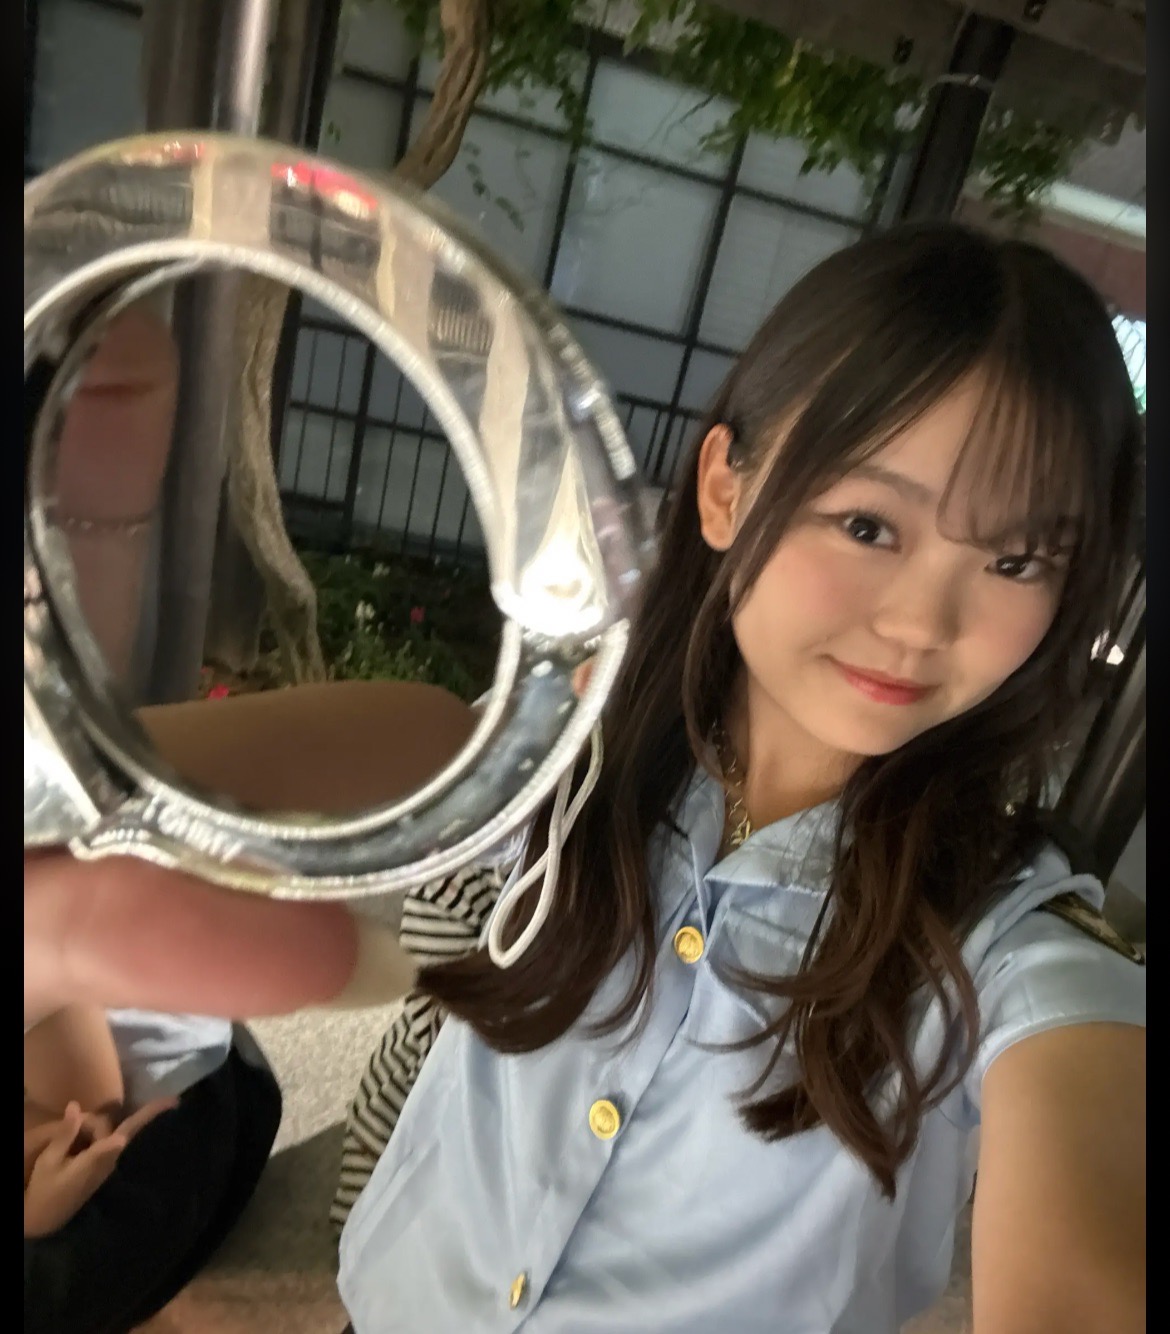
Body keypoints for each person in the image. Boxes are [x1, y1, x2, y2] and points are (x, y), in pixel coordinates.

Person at [26, 223, 1144, 1334]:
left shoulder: (1009, 942)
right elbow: (414, 752)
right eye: (868, 524)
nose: (922, 623)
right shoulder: (563, 762)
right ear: (725, 488)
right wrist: (72, 764)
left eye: (1014, 560)